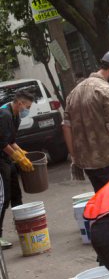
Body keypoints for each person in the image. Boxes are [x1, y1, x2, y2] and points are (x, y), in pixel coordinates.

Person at [63, 50, 109, 192]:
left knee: (102, 200)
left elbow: (66, 127)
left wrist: (75, 158)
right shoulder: (107, 91)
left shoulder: (74, 92)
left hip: (87, 163)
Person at [0, 90, 34, 249]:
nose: (28, 109)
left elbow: (11, 141)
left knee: (16, 194)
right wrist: (18, 158)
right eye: (27, 106)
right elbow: (2, 143)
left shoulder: (16, 116)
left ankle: (22, 226)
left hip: (7, 158)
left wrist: (22, 153)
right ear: (19, 103)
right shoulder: (4, 115)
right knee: (3, 198)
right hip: (1, 158)